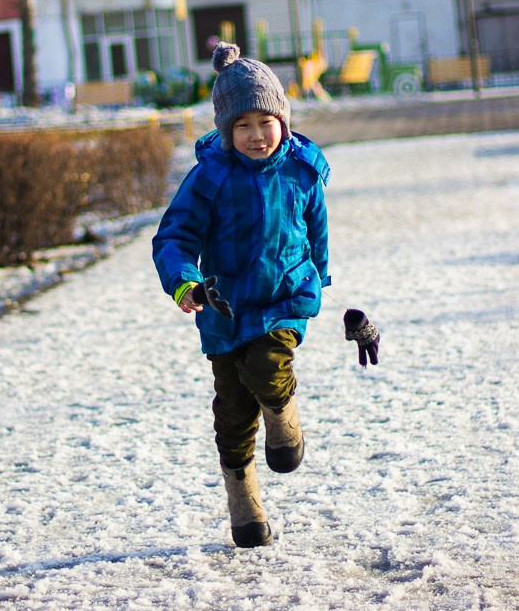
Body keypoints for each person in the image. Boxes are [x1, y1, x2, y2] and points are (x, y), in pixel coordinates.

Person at [153, 42, 378, 550]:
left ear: (283, 119)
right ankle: (244, 501)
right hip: (225, 308)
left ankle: (284, 421)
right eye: (243, 126)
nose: (257, 135)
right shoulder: (210, 177)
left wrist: (314, 277)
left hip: (283, 298)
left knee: (267, 365)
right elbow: (174, 238)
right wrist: (185, 282)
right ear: (225, 130)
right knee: (231, 412)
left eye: (266, 122)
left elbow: (315, 227)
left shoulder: (302, 170)